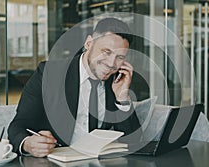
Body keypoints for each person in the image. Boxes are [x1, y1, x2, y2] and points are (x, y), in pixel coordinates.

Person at [8, 18, 142, 157]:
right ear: (89, 43)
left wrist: (122, 98)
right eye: (106, 52)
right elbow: (18, 126)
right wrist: (28, 143)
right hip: (56, 162)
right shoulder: (49, 73)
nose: (111, 63)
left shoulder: (116, 82)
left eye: (119, 57)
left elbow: (133, 141)